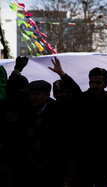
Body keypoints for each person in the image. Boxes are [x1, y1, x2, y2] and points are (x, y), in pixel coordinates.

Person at [48, 50, 107, 187]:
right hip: (83, 157)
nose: (94, 86)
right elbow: (74, 89)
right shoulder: (83, 99)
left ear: (105, 84)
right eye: (92, 82)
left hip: (104, 156)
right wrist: (61, 73)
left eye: (98, 83)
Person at [4, 56, 69, 187]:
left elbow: (64, 142)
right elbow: (10, 93)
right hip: (26, 169)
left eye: (37, 94)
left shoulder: (57, 111)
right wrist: (17, 70)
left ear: (47, 95)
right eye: (31, 93)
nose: (33, 97)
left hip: (51, 171)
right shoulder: (24, 105)